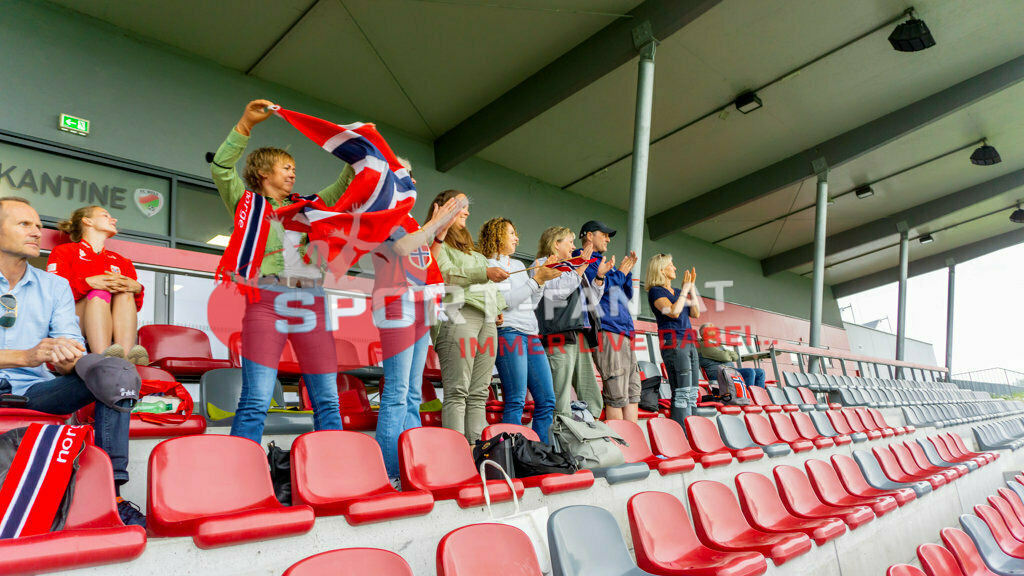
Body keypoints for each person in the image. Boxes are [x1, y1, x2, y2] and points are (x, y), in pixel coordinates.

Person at [0, 197, 145, 527]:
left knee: (115, 371)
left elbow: (69, 352)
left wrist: (69, 357)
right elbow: (30, 354)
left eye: (38, 226)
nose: (37, 232)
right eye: (24, 224)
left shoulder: (55, 286)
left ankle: (112, 490)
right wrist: (25, 355)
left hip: (34, 391)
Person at [210, 99, 344, 443]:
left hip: (312, 300)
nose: (293, 172)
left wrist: (357, 151)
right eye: (286, 167)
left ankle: (336, 474)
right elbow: (222, 169)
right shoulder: (247, 202)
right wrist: (245, 125)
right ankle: (241, 479)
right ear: (263, 173)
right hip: (267, 300)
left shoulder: (308, 208)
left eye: (294, 167)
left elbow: (343, 188)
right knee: (256, 399)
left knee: (328, 399)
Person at [371, 158, 462, 482]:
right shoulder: (381, 212)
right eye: (406, 176)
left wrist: (438, 235)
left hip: (420, 306)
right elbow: (402, 247)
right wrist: (431, 226)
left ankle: (412, 469)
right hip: (396, 304)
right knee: (396, 392)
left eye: (413, 177)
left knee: (411, 393)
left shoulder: (409, 219)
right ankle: (388, 474)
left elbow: (426, 264)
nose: (413, 182)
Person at [428, 190, 506, 444]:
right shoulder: (435, 244)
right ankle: (456, 454)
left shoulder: (476, 254)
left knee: (479, 393)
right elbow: (445, 275)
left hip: (487, 322)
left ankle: (477, 450)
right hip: (458, 316)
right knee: (457, 391)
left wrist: (499, 309)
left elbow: (492, 288)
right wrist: (484, 272)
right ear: (443, 207)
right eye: (462, 206)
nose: (468, 211)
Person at [479, 217, 560, 442]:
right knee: (516, 399)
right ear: (497, 236)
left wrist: (540, 280)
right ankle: (514, 456)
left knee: (547, 400)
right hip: (508, 332)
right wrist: (536, 281)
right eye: (512, 233)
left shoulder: (517, 265)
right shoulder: (487, 265)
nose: (517, 238)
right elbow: (505, 302)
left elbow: (530, 303)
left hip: (530, 334)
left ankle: (540, 453)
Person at [47, 205, 148, 364]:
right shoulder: (64, 251)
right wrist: (88, 283)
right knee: (99, 293)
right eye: (105, 215)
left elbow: (134, 307)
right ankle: (103, 360)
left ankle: (125, 359)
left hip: (112, 329)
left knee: (125, 293)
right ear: (87, 221)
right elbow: (53, 296)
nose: (114, 219)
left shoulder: (122, 261)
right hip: (71, 325)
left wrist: (138, 289)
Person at [533, 226, 610, 419]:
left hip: (579, 333)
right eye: (570, 242)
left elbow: (589, 300)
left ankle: (591, 426)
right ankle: (561, 433)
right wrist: (581, 266)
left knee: (589, 388)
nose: (574, 246)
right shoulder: (542, 264)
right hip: (558, 333)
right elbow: (557, 293)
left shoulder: (571, 266)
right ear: (556, 244)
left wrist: (599, 277)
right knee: (560, 388)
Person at [575, 220, 639, 422]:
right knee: (616, 395)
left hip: (624, 332)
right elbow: (601, 288)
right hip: (607, 331)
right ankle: (619, 449)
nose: (608, 239)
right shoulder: (582, 257)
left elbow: (623, 294)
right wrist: (619, 274)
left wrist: (624, 274)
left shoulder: (604, 263)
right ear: (589, 236)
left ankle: (635, 449)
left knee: (632, 394)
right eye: (604, 234)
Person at [646, 253, 701, 425]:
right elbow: (673, 312)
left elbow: (696, 313)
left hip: (688, 341)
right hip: (673, 342)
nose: (675, 268)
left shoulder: (678, 292)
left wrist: (691, 288)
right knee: (682, 391)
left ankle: (693, 434)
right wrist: (685, 290)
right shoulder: (656, 291)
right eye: (671, 264)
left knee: (692, 392)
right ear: (661, 269)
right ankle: (682, 434)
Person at [697, 322, 766, 388]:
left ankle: (757, 398)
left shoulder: (716, 344)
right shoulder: (704, 345)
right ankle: (747, 398)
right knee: (749, 372)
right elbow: (724, 357)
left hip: (729, 371)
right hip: (719, 374)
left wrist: (727, 353)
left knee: (760, 372)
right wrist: (728, 354)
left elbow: (736, 356)